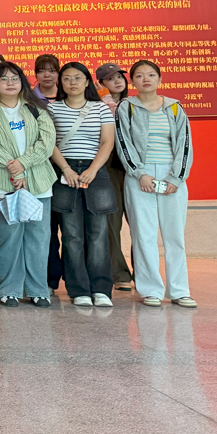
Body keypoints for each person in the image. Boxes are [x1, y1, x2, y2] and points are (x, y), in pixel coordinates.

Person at [114, 60, 196, 308]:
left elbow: (184, 144)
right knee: (143, 235)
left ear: (160, 79)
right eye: (139, 75)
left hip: (172, 176)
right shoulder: (126, 107)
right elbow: (123, 143)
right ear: (132, 81)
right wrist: (140, 173)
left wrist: (176, 177)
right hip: (140, 177)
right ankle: (150, 290)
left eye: (151, 75)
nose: (146, 79)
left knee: (174, 236)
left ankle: (179, 290)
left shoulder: (174, 107)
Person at [0, 61, 57, 306]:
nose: (10, 83)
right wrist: (14, 169)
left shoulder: (36, 109)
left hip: (38, 184)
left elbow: (47, 142)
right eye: (3, 79)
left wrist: (23, 164)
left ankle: (38, 289)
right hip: (3, 185)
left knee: (38, 239)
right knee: (8, 239)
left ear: (22, 82)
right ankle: (9, 289)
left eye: (14, 78)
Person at [48, 62, 117, 307]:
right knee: (72, 235)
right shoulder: (52, 108)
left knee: (98, 235)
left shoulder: (100, 108)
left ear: (87, 81)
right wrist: (66, 169)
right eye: (67, 78)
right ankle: (78, 290)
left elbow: (107, 142)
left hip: (94, 171)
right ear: (61, 83)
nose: (72, 82)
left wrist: (92, 170)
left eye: (78, 78)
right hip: (64, 171)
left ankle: (101, 289)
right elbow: (49, 142)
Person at [96, 62, 134, 291]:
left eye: (120, 76)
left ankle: (144, 273)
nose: (117, 81)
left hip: (135, 168)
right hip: (110, 166)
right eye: (110, 78)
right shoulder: (97, 106)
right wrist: (105, 101)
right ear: (100, 84)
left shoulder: (134, 104)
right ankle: (119, 273)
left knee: (139, 223)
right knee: (112, 222)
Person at [33, 53, 64, 292]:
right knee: (47, 227)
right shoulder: (28, 99)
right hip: (39, 166)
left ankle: (74, 281)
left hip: (69, 168)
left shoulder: (69, 96)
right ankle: (48, 279)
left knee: (71, 229)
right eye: (42, 70)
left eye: (52, 70)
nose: (47, 75)